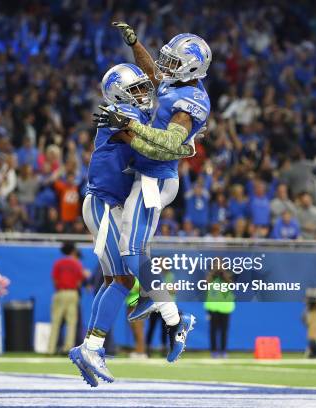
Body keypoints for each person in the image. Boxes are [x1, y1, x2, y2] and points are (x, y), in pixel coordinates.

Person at [70, 63, 197, 386]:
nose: (144, 93)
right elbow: (153, 147)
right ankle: (169, 317)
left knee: (118, 279)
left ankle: (91, 346)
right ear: (118, 93)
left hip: (109, 205)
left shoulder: (130, 112)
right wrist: (185, 147)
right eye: (136, 89)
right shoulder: (119, 112)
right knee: (125, 275)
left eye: (143, 87)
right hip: (104, 204)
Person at [97, 25, 208, 354]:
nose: (165, 67)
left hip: (155, 177)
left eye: (174, 62)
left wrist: (130, 127)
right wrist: (135, 44)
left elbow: (168, 146)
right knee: (134, 252)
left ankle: (174, 319)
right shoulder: (179, 83)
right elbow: (151, 71)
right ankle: (159, 304)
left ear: (191, 67)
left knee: (131, 252)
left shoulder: (191, 101)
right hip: (147, 175)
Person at [48, 242, 88, 356]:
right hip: (72, 293)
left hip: (60, 293)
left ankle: (50, 349)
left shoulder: (58, 263)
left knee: (55, 322)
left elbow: (54, 279)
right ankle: (67, 348)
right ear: (73, 251)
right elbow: (80, 280)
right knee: (71, 323)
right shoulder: (77, 263)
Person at [204, 261, 235, 358]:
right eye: (216, 265)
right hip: (213, 308)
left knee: (224, 331)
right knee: (213, 331)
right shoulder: (210, 277)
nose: (218, 267)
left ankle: (224, 351)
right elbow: (206, 284)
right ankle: (214, 351)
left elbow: (231, 284)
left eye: (220, 264)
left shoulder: (228, 276)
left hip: (225, 308)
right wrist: (214, 272)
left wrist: (223, 273)